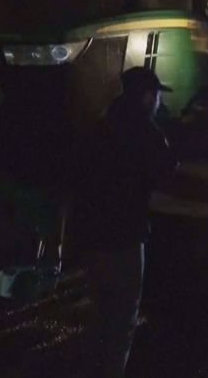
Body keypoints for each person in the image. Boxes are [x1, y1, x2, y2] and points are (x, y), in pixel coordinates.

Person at [69, 67, 177, 378]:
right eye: (156, 96)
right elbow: (169, 171)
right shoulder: (146, 133)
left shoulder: (100, 127)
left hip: (93, 240)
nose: (158, 102)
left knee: (99, 318)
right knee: (121, 323)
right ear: (146, 97)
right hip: (125, 241)